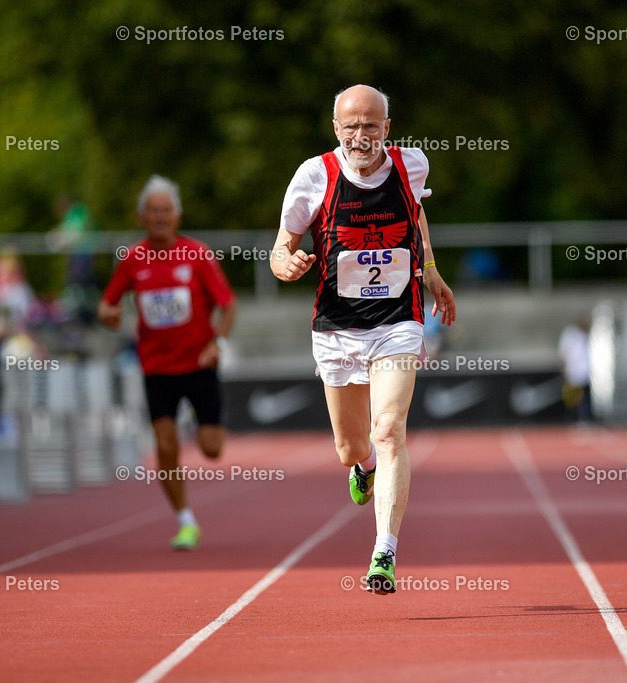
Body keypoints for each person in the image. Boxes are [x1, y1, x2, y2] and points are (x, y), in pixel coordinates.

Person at [270, 85, 456, 594]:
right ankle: (364, 467)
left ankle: (384, 553)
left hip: (398, 319)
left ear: (387, 129)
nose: (361, 135)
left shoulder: (411, 165)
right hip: (337, 325)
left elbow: (415, 213)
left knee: (389, 427)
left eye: (371, 125)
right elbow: (280, 248)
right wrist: (287, 265)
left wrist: (432, 271)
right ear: (336, 129)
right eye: (351, 126)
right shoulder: (314, 176)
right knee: (349, 446)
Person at [99, 175, 237, 551]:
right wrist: (108, 314)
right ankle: (185, 520)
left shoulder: (197, 254)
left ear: (176, 216)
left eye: (166, 211)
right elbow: (107, 304)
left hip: (198, 363)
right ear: (142, 217)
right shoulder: (133, 259)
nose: (160, 217)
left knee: (211, 449)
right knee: (164, 444)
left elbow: (228, 305)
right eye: (153, 211)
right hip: (156, 367)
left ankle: (196, 420)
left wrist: (217, 342)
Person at [558, 317, 592, 423]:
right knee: (572, 399)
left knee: (585, 399)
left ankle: (585, 419)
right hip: (573, 372)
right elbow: (564, 352)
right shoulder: (570, 335)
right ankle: (572, 419)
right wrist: (564, 369)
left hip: (586, 373)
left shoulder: (587, 335)